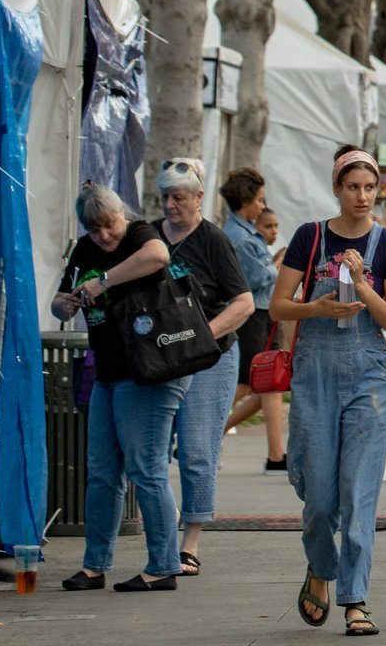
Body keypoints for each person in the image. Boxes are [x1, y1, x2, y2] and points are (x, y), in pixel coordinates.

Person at [274, 145, 386, 637]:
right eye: (352, 186)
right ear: (337, 188)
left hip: (369, 376)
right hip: (314, 374)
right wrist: (316, 309)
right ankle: (319, 566)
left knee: (358, 494)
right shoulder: (309, 237)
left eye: (370, 187)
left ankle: (355, 599)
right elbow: (277, 307)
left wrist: (361, 282)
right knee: (317, 497)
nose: (361, 196)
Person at [54, 184, 178, 593]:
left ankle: (163, 564)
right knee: (102, 473)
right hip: (106, 372)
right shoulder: (84, 250)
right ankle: (94, 565)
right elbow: (58, 300)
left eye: (108, 226)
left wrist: (103, 282)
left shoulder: (141, 234)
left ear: (120, 215)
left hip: (148, 370)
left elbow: (159, 256)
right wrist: (67, 303)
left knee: (146, 469)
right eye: (94, 231)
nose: (104, 237)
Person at [156, 159, 254, 578]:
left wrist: (202, 336)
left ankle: (190, 539)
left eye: (179, 197)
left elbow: (244, 303)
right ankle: (160, 536)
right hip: (160, 358)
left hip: (211, 357)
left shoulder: (214, 241)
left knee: (197, 450)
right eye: (164, 197)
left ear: (199, 199)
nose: (171, 205)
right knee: (152, 453)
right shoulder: (149, 237)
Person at [221, 167, 288, 473]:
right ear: (247, 200)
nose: (262, 206)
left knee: (269, 384)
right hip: (252, 315)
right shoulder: (241, 238)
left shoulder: (245, 233)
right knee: (246, 384)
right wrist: (278, 265)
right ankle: (204, 431)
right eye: (259, 200)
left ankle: (276, 454)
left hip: (262, 313)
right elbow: (256, 277)